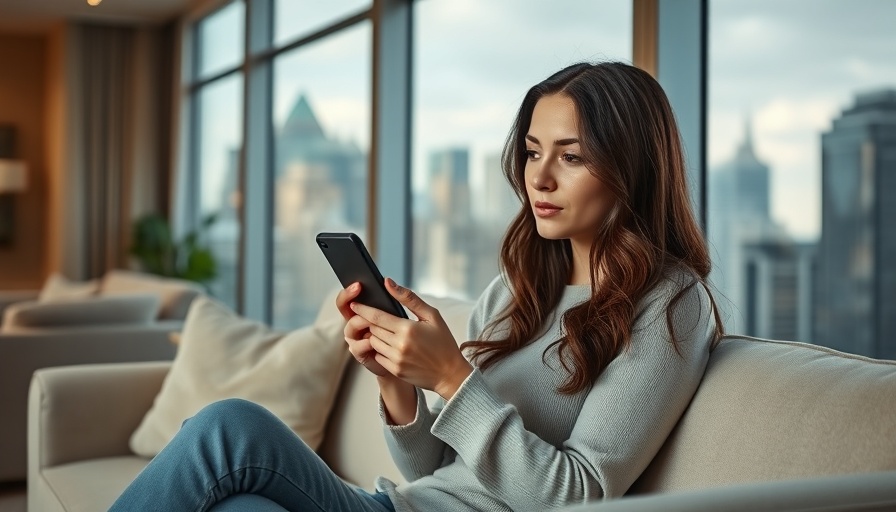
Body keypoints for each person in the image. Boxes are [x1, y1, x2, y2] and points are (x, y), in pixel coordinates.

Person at [110, 61, 723, 512]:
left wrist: (454, 379)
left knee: (229, 429)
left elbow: (577, 495)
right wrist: (396, 381)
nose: (539, 176)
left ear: (632, 165)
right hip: (405, 505)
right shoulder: (522, 286)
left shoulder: (670, 304)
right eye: (533, 152)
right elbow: (431, 468)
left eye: (571, 157)